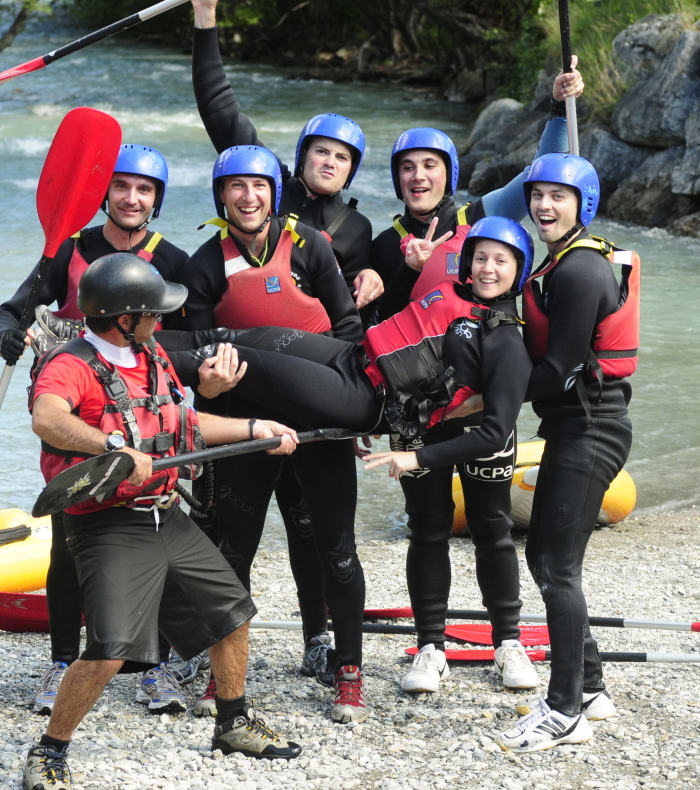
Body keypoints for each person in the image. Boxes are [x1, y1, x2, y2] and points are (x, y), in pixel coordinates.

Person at [22, 253, 302, 790]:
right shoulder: (70, 365)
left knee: (234, 614)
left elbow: (186, 420)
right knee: (109, 652)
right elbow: (48, 418)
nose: (163, 320)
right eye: (154, 312)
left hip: (166, 514)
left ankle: (232, 722)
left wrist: (253, 427)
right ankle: (48, 751)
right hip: (107, 525)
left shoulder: (150, 354)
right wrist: (112, 445)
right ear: (124, 318)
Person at [366, 63, 584, 694]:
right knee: (427, 529)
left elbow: (539, 179)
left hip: (487, 406)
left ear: (449, 174)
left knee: (491, 527)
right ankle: (430, 647)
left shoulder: (479, 217)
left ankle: (508, 643)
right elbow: (376, 332)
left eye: (430, 165)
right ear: (397, 179)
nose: (419, 176)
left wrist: (555, 108)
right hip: (421, 413)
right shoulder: (380, 246)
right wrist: (395, 277)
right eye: (407, 167)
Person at [189, 0, 382, 692]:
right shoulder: (262, 191)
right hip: (246, 400)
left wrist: (368, 407)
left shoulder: (358, 238)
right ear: (293, 163)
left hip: (319, 396)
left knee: (317, 533)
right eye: (317, 152)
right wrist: (206, 24)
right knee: (233, 537)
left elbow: (384, 320)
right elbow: (221, 110)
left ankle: (321, 639)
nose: (327, 163)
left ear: (352, 170)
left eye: (340, 157)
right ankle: (222, 661)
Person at [0, 144, 201, 716]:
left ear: (158, 200)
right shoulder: (68, 249)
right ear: (105, 194)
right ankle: (64, 662)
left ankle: (151, 663)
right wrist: (8, 330)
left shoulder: (177, 260)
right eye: (121, 187)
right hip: (69, 405)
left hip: (144, 411)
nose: (131, 199)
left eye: (144, 190)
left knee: (152, 537)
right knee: (67, 545)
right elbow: (14, 307)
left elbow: (192, 335)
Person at [184, 144, 370, 722]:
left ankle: (346, 670)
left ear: (274, 192)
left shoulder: (310, 247)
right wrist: (207, 397)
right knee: (233, 548)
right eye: (235, 186)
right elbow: (193, 358)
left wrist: (350, 410)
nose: (248, 196)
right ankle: (225, 672)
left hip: (319, 417)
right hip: (246, 422)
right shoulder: (204, 264)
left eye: (258, 185)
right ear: (220, 196)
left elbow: (347, 329)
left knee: (333, 547)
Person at [496, 153, 638, 753]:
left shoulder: (580, 272)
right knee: (546, 561)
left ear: (583, 204)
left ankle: (563, 711)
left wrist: (487, 394)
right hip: (573, 427)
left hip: (591, 428)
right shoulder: (560, 261)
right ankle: (592, 685)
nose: (544, 206)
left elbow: (558, 370)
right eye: (537, 196)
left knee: (557, 568)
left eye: (559, 196)